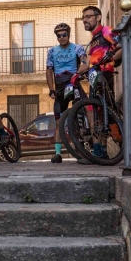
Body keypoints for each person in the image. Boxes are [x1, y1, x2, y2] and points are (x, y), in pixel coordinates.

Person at [73, 6, 123, 161]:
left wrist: (111, 58)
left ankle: (122, 144)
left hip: (104, 74)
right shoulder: (92, 42)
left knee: (108, 111)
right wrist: (76, 74)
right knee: (97, 115)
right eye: (83, 18)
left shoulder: (106, 30)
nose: (85, 20)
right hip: (94, 76)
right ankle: (99, 152)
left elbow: (121, 46)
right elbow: (86, 63)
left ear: (98, 17)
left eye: (88, 16)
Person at [46, 23, 86, 163]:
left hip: (74, 82)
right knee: (58, 122)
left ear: (69, 35)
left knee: (86, 108)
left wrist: (81, 70)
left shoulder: (77, 48)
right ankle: (57, 154)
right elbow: (49, 71)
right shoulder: (52, 51)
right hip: (60, 86)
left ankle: (87, 142)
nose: (62, 38)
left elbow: (84, 61)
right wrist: (51, 89)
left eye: (64, 35)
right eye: (59, 36)